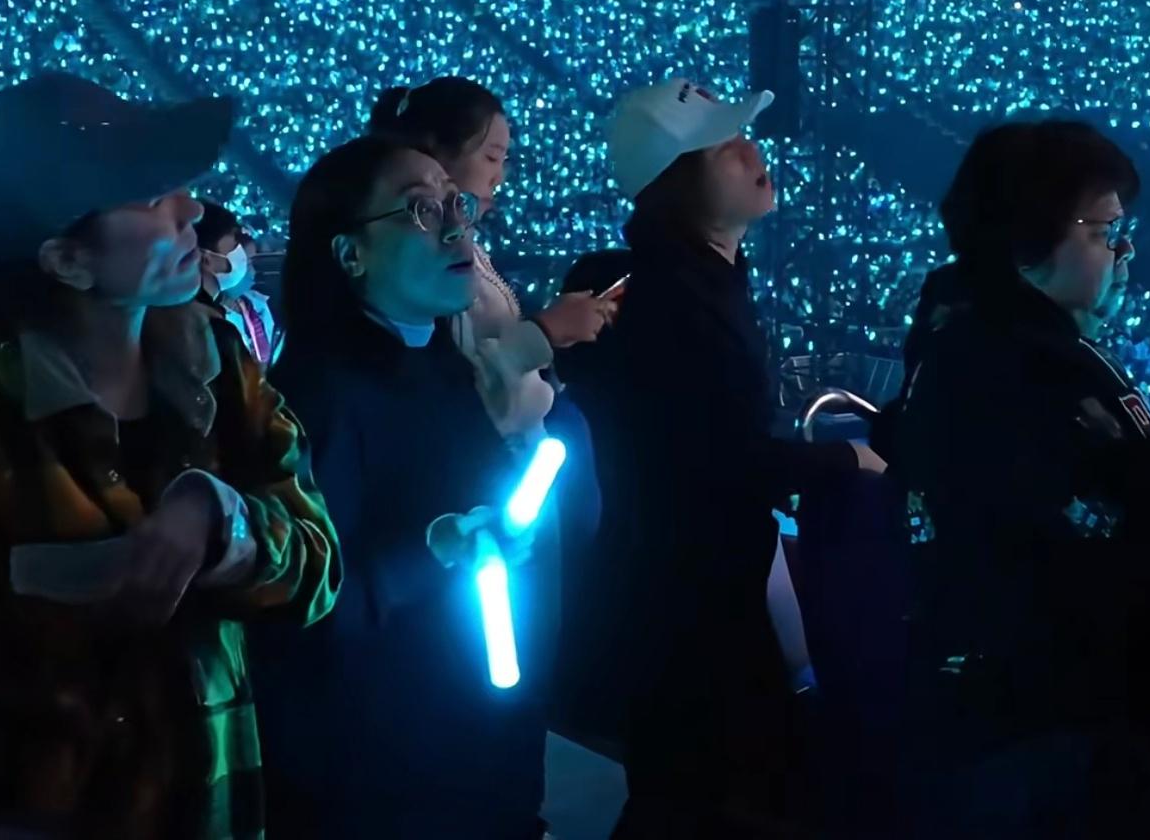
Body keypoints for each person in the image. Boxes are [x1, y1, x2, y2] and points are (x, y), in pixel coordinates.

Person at [0, 73, 339, 839]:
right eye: (150, 198)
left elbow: (320, 569)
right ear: (66, 260)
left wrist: (222, 524)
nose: (192, 210)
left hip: (212, 805)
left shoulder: (221, 367)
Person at [556, 77, 876, 838]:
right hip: (684, 602)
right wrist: (847, 462)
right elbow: (715, 459)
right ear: (675, 182)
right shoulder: (662, 297)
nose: (752, 152)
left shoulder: (703, 278)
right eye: (726, 146)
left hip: (694, 590)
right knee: (703, 798)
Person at [254, 135, 579, 838]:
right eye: (421, 210)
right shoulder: (314, 401)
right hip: (381, 777)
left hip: (477, 750)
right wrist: (436, 553)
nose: (457, 226)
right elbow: (300, 612)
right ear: (350, 254)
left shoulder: (448, 369)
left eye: (455, 203)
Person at [891, 120, 1150, 836]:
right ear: (1026, 245)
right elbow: (1105, 523)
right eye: (1105, 232)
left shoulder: (1000, 342)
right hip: (1045, 734)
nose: (1126, 253)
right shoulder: (1002, 369)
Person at [367, 78, 613, 441]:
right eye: (491, 157)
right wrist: (545, 332)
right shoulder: (419, 267)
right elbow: (456, 392)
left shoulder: (467, 250)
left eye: (504, 160)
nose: (500, 176)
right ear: (435, 154)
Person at [197, 200, 280, 367]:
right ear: (206, 259)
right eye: (234, 244)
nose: (239, 252)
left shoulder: (210, 315)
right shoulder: (202, 326)